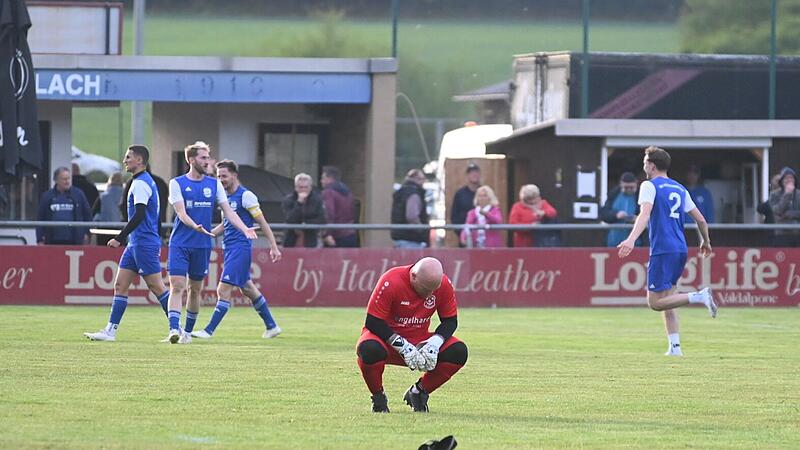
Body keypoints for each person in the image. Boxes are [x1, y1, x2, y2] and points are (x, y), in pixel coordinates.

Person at [617, 146, 718, 357]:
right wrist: (706, 242)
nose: (643, 165)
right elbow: (700, 219)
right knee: (669, 297)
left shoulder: (649, 186)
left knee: (655, 303)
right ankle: (675, 348)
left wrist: (631, 239)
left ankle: (699, 296)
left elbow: (644, 215)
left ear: (651, 165)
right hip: (680, 248)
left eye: (645, 161)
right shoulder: (680, 188)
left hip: (663, 249)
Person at [166, 141, 257, 344]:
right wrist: (194, 226)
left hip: (203, 244)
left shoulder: (214, 184)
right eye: (203, 158)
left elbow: (229, 212)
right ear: (191, 160)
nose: (207, 161)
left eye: (208, 157)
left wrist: (245, 228)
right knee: (177, 285)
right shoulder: (177, 183)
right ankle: (173, 328)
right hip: (180, 242)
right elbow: (180, 213)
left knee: (195, 289)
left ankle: (187, 333)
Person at [356, 257, 468, 413]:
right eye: (425, 288)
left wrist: (434, 344)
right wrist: (402, 346)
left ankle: (419, 392)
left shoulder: (443, 284)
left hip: (419, 340)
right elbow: (373, 321)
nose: (429, 294)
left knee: (459, 352)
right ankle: (378, 398)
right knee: (369, 349)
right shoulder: (391, 280)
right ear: (413, 276)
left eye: (433, 290)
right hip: (384, 340)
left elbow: (450, 321)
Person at [84, 146, 171, 342]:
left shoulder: (140, 183)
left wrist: (119, 237)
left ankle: (178, 329)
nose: (125, 161)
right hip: (137, 243)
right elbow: (154, 216)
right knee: (120, 284)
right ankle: (110, 331)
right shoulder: (143, 181)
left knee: (156, 287)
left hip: (142, 243)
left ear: (140, 160)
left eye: (128, 157)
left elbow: (139, 214)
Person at [191, 159, 283, 339]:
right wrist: (208, 233)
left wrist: (274, 247)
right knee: (247, 288)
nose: (221, 180)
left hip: (240, 248)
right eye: (218, 176)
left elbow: (263, 223)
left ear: (234, 175)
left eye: (224, 176)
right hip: (230, 249)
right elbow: (227, 224)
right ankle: (272, 326)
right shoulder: (225, 198)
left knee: (222, 290)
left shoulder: (246, 196)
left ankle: (208, 331)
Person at [36, 166, 92, 245]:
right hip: (52, 241)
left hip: (75, 241)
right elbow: (40, 218)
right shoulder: (47, 196)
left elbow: (87, 215)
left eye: (68, 178)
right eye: (64, 179)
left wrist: (86, 233)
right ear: (56, 180)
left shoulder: (78, 194)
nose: (67, 181)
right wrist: (39, 239)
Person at [281, 173, 326, 248]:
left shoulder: (317, 200)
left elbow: (322, 219)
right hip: (290, 239)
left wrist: (305, 224)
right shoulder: (288, 200)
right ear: (295, 188)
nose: (303, 190)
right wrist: (299, 203)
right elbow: (289, 219)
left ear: (310, 187)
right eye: (300, 187)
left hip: (310, 239)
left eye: (306, 187)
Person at [320, 165, 358, 248]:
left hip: (335, 237)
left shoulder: (328, 192)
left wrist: (327, 234)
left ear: (329, 178)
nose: (321, 181)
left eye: (323, 178)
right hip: (350, 234)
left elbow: (329, 214)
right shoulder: (348, 192)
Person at [600, 172, 641, 247]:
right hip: (614, 241)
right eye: (626, 187)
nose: (629, 189)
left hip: (635, 243)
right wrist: (616, 214)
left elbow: (649, 214)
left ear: (636, 184)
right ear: (621, 184)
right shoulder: (613, 195)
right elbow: (603, 214)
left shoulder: (641, 197)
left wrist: (638, 219)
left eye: (631, 187)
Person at [391, 169, 429, 248]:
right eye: (422, 179)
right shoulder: (414, 194)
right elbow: (412, 216)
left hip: (400, 237)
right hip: (412, 239)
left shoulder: (401, 192)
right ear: (418, 179)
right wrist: (422, 230)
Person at [768, 166, 800, 247]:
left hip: (797, 233)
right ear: (781, 181)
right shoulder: (774, 195)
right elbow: (778, 211)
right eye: (786, 178)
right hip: (782, 234)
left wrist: (789, 214)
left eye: (791, 178)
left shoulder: (799, 194)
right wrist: (787, 194)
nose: (789, 180)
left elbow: (783, 214)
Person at [450, 163, 481, 245]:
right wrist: (461, 233)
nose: (474, 174)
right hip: (465, 236)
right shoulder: (460, 194)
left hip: (483, 238)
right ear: (467, 176)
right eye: (471, 172)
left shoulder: (484, 192)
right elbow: (454, 216)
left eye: (476, 172)